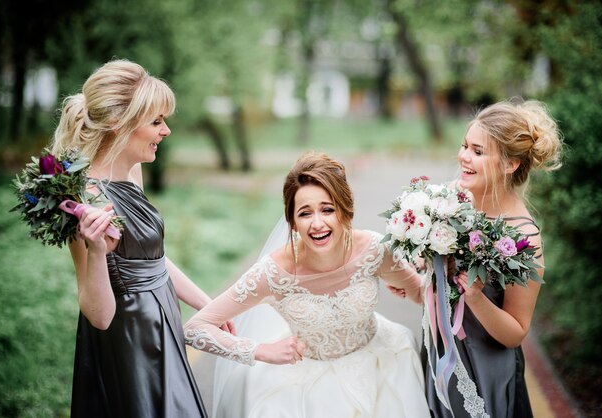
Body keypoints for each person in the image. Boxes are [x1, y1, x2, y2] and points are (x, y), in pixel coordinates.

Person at [183, 151, 432, 418]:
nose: (317, 223)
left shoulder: (373, 249)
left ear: (345, 210)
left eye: (327, 209)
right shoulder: (274, 272)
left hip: (383, 367)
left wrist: (437, 266)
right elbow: (195, 328)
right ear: (292, 222)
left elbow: (421, 294)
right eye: (304, 213)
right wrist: (261, 351)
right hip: (305, 385)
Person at [51, 59, 231, 418]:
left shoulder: (133, 175)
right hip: (127, 344)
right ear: (120, 123)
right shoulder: (79, 199)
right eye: (156, 121)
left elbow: (152, 260)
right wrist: (98, 251)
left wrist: (209, 305)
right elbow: (98, 316)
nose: (166, 131)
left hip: (163, 323)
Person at [412, 98, 563, 417]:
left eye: (478, 152)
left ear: (510, 164)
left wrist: (478, 299)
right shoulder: (450, 199)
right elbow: (441, 284)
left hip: (486, 372)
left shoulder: (523, 238)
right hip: (440, 356)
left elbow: (516, 332)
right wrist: (421, 271)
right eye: (465, 146)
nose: (464, 157)